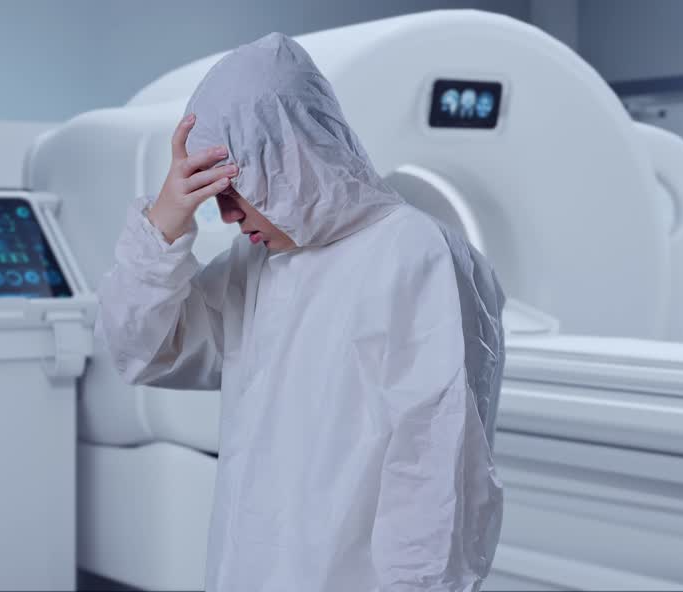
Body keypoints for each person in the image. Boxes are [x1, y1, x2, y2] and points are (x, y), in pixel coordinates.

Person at [95, 32, 506, 592]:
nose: (228, 215)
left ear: (290, 158)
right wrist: (165, 222)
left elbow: (435, 477)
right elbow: (142, 351)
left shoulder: (417, 255)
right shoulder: (261, 264)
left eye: (233, 189)